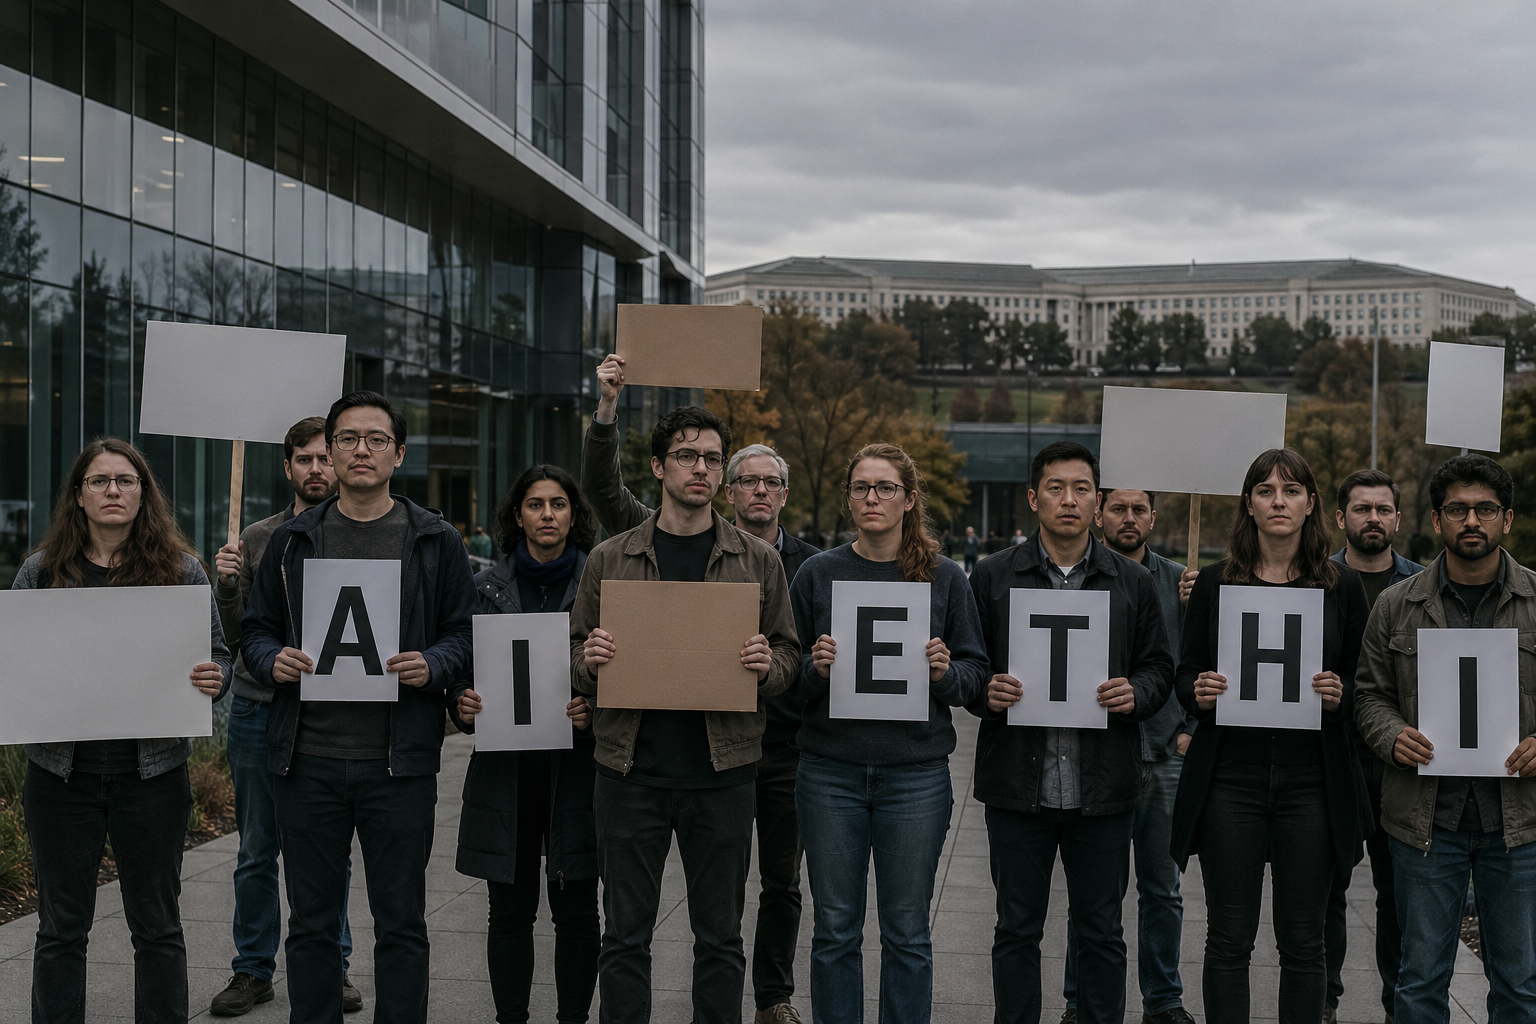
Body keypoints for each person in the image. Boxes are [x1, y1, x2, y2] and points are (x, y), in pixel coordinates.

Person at [582, 354, 819, 1024]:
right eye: (687, 456)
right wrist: (591, 656)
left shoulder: (759, 560)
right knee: (624, 936)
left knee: (720, 938)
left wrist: (762, 664)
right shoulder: (612, 557)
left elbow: (788, 658)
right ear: (658, 468)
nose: (701, 470)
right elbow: (574, 655)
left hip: (724, 772)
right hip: (629, 773)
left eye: (713, 459)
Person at [242, 391, 477, 1024]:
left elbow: (463, 632)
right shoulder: (292, 541)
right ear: (332, 450)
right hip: (307, 760)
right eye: (348, 438)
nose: (361, 450)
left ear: (399, 454)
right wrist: (271, 661)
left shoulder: (434, 539)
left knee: (401, 922)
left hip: (398, 764)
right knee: (312, 926)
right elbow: (255, 631)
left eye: (376, 439)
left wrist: (435, 665)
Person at [16, 438, 231, 1024]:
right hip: (60, 778)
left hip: (153, 777)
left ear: (144, 494)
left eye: (126, 481)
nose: (113, 490)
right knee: (61, 928)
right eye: (100, 481)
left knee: (158, 927)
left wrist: (217, 677)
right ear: (79, 497)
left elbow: (219, 654)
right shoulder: (42, 572)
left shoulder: (181, 570)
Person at [969, 446, 1175, 1024]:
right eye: (1056, 488)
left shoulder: (1132, 582)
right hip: (1016, 786)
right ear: (1034, 499)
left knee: (1102, 933)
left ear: (1098, 501)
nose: (1069, 500)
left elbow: (1159, 668)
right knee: (1016, 931)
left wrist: (1137, 693)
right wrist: (985, 690)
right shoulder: (992, 575)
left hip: (1103, 788)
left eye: (1082, 489)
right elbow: (968, 667)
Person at [789, 443, 990, 1024]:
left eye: (885, 488)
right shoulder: (818, 574)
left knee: (907, 933)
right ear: (849, 497)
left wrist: (945, 672)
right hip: (829, 772)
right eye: (861, 487)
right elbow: (783, 675)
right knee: (834, 931)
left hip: (915, 777)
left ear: (909, 499)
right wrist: (814, 668)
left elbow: (975, 676)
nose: (872, 498)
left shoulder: (946, 578)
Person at [1170, 448, 1369, 1023]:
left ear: (1311, 506)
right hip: (1230, 777)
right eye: (1265, 490)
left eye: (1291, 490)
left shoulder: (1342, 587)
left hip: (1312, 780)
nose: (1278, 501)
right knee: (1229, 938)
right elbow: (1186, 674)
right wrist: (1198, 691)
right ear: (1249, 506)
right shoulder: (1213, 585)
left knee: (1304, 942)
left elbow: (1367, 681)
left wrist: (1342, 692)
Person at [1355, 454, 1536, 1021]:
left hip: (1519, 823)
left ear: (1507, 519)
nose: (1472, 520)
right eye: (1457, 509)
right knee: (1420, 980)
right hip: (1426, 821)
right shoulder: (1396, 604)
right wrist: (1391, 736)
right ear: (1437, 521)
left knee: (1521, 982)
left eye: (1485, 509)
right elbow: (1368, 695)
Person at [208, 417, 363, 1017]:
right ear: (289, 467)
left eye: (326, 457)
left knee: (326, 849)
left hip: (328, 713)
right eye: (305, 459)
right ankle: (252, 970)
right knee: (256, 849)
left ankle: (333, 965)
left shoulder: (359, 532)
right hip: (257, 708)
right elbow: (237, 635)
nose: (317, 469)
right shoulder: (255, 537)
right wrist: (225, 587)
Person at [450, 465, 602, 1024]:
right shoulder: (484, 587)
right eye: (535, 505)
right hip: (505, 772)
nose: (547, 515)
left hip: (578, 770)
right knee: (508, 913)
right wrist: (460, 707)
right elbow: (462, 667)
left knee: (578, 912)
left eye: (558, 504)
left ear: (573, 515)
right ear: (518, 516)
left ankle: (573, 1020)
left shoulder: (600, 583)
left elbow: (622, 672)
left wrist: (595, 709)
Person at [1056, 484, 1194, 1024]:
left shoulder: (1181, 581)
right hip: (1099, 757)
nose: (1129, 518)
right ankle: (1078, 999)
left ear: (1154, 516)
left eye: (1139, 509)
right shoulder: (1077, 577)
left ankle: (1163, 1000)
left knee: (1163, 887)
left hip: (1163, 753)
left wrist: (1190, 729)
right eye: (1118, 508)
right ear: (1099, 512)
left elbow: (1194, 661)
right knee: (1095, 895)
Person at [1322, 468, 1423, 1024]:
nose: (1373, 519)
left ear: (1399, 519)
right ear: (1341, 519)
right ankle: (1324, 1001)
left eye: (1383, 509)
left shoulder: (1424, 588)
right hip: (1333, 757)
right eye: (1362, 509)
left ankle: (1396, 1006)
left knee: (1400, 895)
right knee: (1324, 890)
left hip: (1399, 762)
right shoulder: (1316, 583)